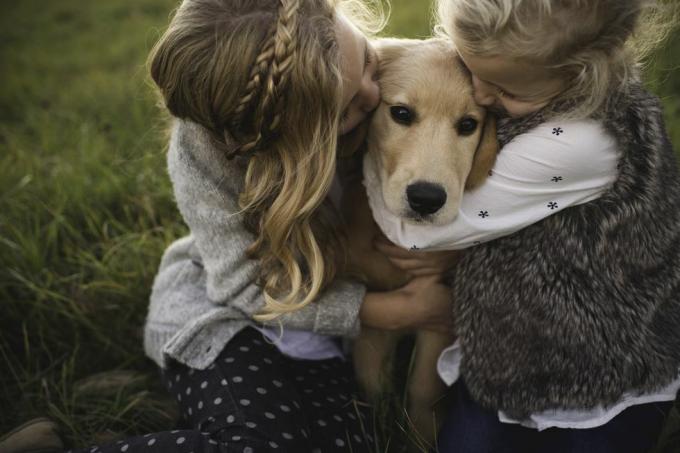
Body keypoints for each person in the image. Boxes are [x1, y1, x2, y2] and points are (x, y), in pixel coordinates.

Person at [58, 0, 455, 452]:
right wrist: (400, 311)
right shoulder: (205, 151)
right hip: (227, 321)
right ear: (277, 138)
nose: (373, 93)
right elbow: (244, 290)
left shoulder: (368, 71)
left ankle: (177, 420)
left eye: (367, 58)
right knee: (262, 445)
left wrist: (451, 240)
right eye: (343, 112)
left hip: (321, 342)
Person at [368, 0, 680, 452]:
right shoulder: (531, 78)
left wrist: (370, 164)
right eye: (470, 67)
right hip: (504, 352)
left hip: (607, 373)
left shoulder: (581, 143)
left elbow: (420, 232)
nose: (479, 93)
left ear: (580, 75)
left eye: (503, 88)